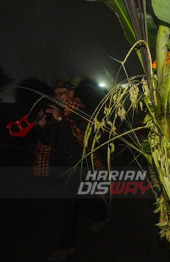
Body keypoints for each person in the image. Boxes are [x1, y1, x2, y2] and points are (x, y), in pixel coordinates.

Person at [37, 80, 108, 261]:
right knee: (81, 201)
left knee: (69, 207)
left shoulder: (82, 112)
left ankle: (66, 246)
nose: (57, 96)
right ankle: (101, 215)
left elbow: (79, 141)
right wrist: (43, 126)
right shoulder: (56, 114)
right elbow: (47, 141)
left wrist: (60, 119)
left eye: (61, 92)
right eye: (55, 93)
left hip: (78, 167)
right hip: (61, 166)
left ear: (72, 93)